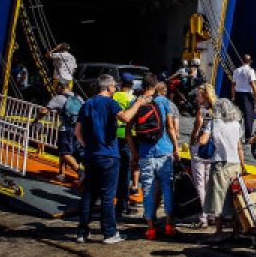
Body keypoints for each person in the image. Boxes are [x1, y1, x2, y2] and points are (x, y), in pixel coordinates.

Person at [74, 74, 146, 244]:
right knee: (108, 195)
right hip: (109, 154)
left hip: (91, 155)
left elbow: (77, 132)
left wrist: (88, 146)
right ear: (107, 87)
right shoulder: (110, 103)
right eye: (114, 86)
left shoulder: (87, 104)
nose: (115, 89)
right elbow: (126, 117)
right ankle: (109, 233)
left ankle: (82, 232)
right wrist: (138, 103)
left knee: (89, 194)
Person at [124, 73, 181, 240]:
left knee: (147, 189)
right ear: (155, 85)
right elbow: (170, 128)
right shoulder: (164, 103)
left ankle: (150, 228)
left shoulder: (136, 103)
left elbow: (128, 133)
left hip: (145, 153)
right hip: (165, 151)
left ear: (143, 86)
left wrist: (134, 153)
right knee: (167, 188)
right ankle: (170, 224)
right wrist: (176, 148)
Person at [197, 98, 246, 243]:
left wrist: (201, 131)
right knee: (235, 199)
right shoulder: (236, 124)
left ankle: (219, 232)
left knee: (218, 199)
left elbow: (202, 141)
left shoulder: (213, 123)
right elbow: (239, 147)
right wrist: (243, 166)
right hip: (235, 163)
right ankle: (236, 232)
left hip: (220, 164)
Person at [41, 79, 83, 182]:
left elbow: (45, 111)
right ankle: (61, 173)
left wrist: (36, 119)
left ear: (60, 87)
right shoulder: (78, 97)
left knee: (64, 152)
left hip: (65, 129)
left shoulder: (58, 98)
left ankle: (80, 172)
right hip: (78, 129)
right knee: (70, 152)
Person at [190, 84, 217, 228]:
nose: (196, 97)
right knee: (209, 181)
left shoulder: (202, 110)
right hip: (213, 148)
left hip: (200, 146)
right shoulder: (217, 109)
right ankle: (212, 214)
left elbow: (198, 126)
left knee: (200, 183)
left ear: (205, 95)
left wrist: (192, 139)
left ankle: (203, 216)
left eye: (198, 95)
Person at [112, 74, 136, 216]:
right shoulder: (131, 99)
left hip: (113, 136)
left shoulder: (113, 97)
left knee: (114, 170)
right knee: (125, 172)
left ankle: (111, 201)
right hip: (127, 137)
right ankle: (123, 204)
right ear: (132, 84)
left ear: (121, 83)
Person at [232, 54, 256, 141]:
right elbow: (253, 84)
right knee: (248, 116)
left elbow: (233, 85)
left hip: (237, 94)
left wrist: (233, 97)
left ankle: (236, 136)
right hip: (247, 95)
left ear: (242, 61)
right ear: (249, 62)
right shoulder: (250, 71)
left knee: (237, 116)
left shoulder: (236, 71)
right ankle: (248, 137)